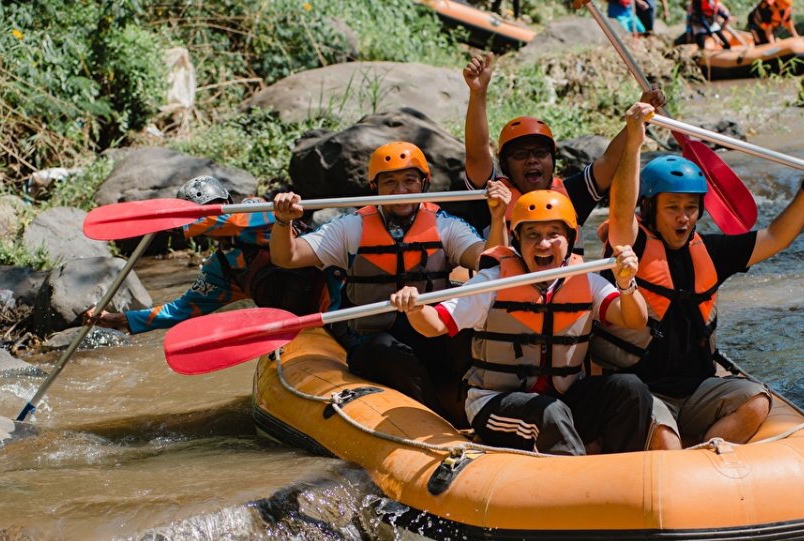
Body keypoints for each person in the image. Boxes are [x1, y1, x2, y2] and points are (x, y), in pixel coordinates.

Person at [598, 102, 804, 449]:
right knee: (665, 440)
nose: (683, 218)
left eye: (690, 208)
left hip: (698, 390)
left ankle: (709, 455)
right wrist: (633, 141)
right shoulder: (629, 247)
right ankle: (682, 457)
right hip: (641, 390)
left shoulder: (710, 251)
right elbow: (620, 211)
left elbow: (776, 238)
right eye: (672, 208)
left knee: (757, 399)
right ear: (649, 208)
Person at [391, 190, 654, 456]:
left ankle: (623, 472)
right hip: (496, 404)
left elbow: (634, 319)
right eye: (532, 235)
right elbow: (435, 324)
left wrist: (626, 284)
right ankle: (575, 485)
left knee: (630, 389)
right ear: (517, 240)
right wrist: (416, 308)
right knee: (549, 411)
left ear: (569, 239)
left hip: (562, 399)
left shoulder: (587, 281)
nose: (543, 244)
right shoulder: (493, 282)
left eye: (554, 234)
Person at [268, 142, 509, 420]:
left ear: (424, 184)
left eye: (409, 181)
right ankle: (440, 417)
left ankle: (480, 404)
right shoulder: (351, 227)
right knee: (380, 349)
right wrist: (283, 222)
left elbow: (491, 263)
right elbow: (288, 257)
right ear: (375, 188)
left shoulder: (446, 226)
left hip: (432, 333)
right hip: (374, 340)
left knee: (473, 333)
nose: (401, 191)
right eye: (390, 183)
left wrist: (498, 215)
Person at [85, 175, 326, 332]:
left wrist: (179, 220)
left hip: (337, 302)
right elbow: (180, 310)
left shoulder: (256, 210)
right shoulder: (222, 270)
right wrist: (121, 319)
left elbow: (232, 219)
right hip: (305, 326)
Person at [461, 54, 665, 232]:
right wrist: (478, 93)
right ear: (505, 164)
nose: (532, 160)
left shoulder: (573, 195)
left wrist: (640, 118)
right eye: (521, 155)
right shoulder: (492, 197)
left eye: (540, 153)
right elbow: (477, 154)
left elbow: (611, 160)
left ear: (553, 159)